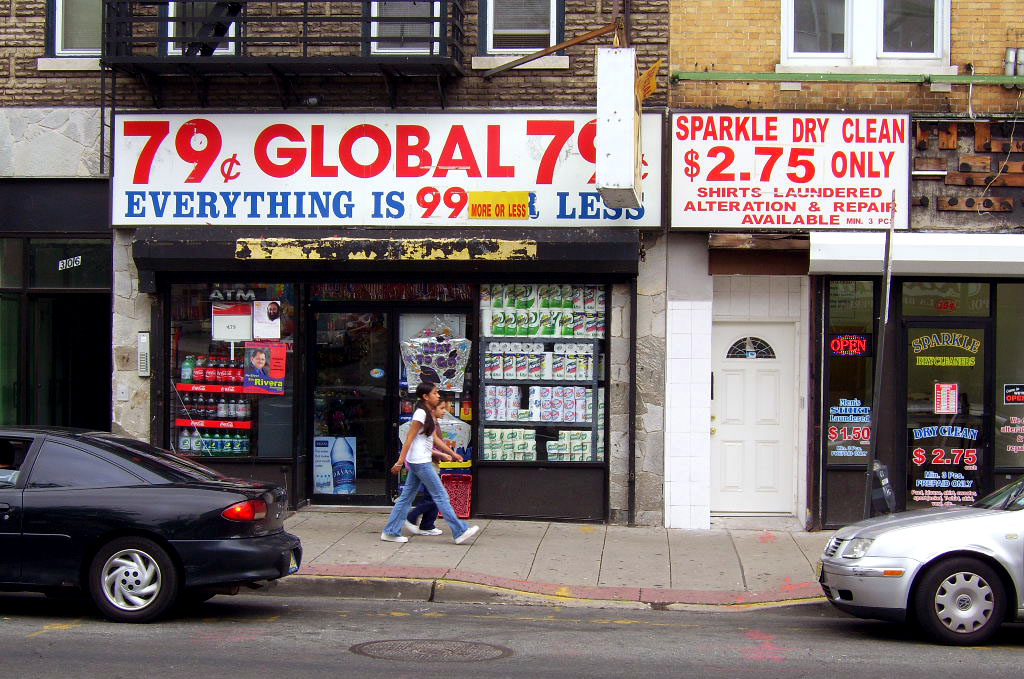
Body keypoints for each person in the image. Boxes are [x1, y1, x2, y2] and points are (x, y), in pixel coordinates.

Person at [381, 382, 479, 545]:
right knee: (441, 496)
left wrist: (452, 453)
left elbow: (434, 439)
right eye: (435, 393)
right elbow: (409, 439)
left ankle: (390, 531)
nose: (438, 395)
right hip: (420, 462)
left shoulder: (427, 413)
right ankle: (459, 531)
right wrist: (399, 461)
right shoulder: (420, 414)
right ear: (425, 397)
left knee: (406, 498)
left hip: (419, 461)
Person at [405, 398, 462, 536]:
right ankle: (413, 517)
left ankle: (427, 524)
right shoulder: (426, 423)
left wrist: (450, 453)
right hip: (425, 462)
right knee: (437, 496)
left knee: (433, 496)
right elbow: (422, 445)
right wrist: (445, 454)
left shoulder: (433, 423)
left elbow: (434, 442)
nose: (444, 411)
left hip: (430, 461)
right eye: (441, 408)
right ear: (432, 409)